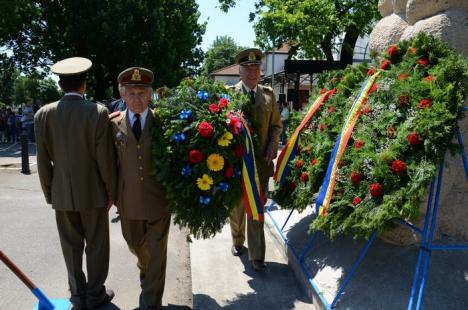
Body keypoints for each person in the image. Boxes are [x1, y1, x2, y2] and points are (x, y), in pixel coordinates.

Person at [34, 57, 116, 310]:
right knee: (97, 247)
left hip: (61, 194)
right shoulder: (97, 112)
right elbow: (105, 160)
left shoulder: (43, 114)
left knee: (70, 248)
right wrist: (111, 192)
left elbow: (43, 160)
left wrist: (50, 193)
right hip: (93, 194)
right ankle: (95, 295)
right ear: (84, 84)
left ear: (59, 84)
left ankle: (77, 296)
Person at [109, 67, 170, 310]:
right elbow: (108, 164)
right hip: (128, 201)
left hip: (159, 202)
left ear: (150, 94)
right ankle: (147, 271)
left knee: (156, 256)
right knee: (135, 245)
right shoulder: (112, 124)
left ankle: (150, 303)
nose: (137, 97)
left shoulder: (163, 123)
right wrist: (111, 195)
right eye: (131, 92)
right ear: (122, 94)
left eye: (142, 92)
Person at [229, 48, 282, 271]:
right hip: (235, 166)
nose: (252, 73)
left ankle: (257, 256)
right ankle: (238, 240)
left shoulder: (269, 95)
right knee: (237, 208)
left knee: (256, 208)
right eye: (247, 69)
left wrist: (272, 145)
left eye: (256, 68)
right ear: (239, 71)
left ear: (260, 71)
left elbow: (276, 126)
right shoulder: (229, 96)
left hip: (260, 165)